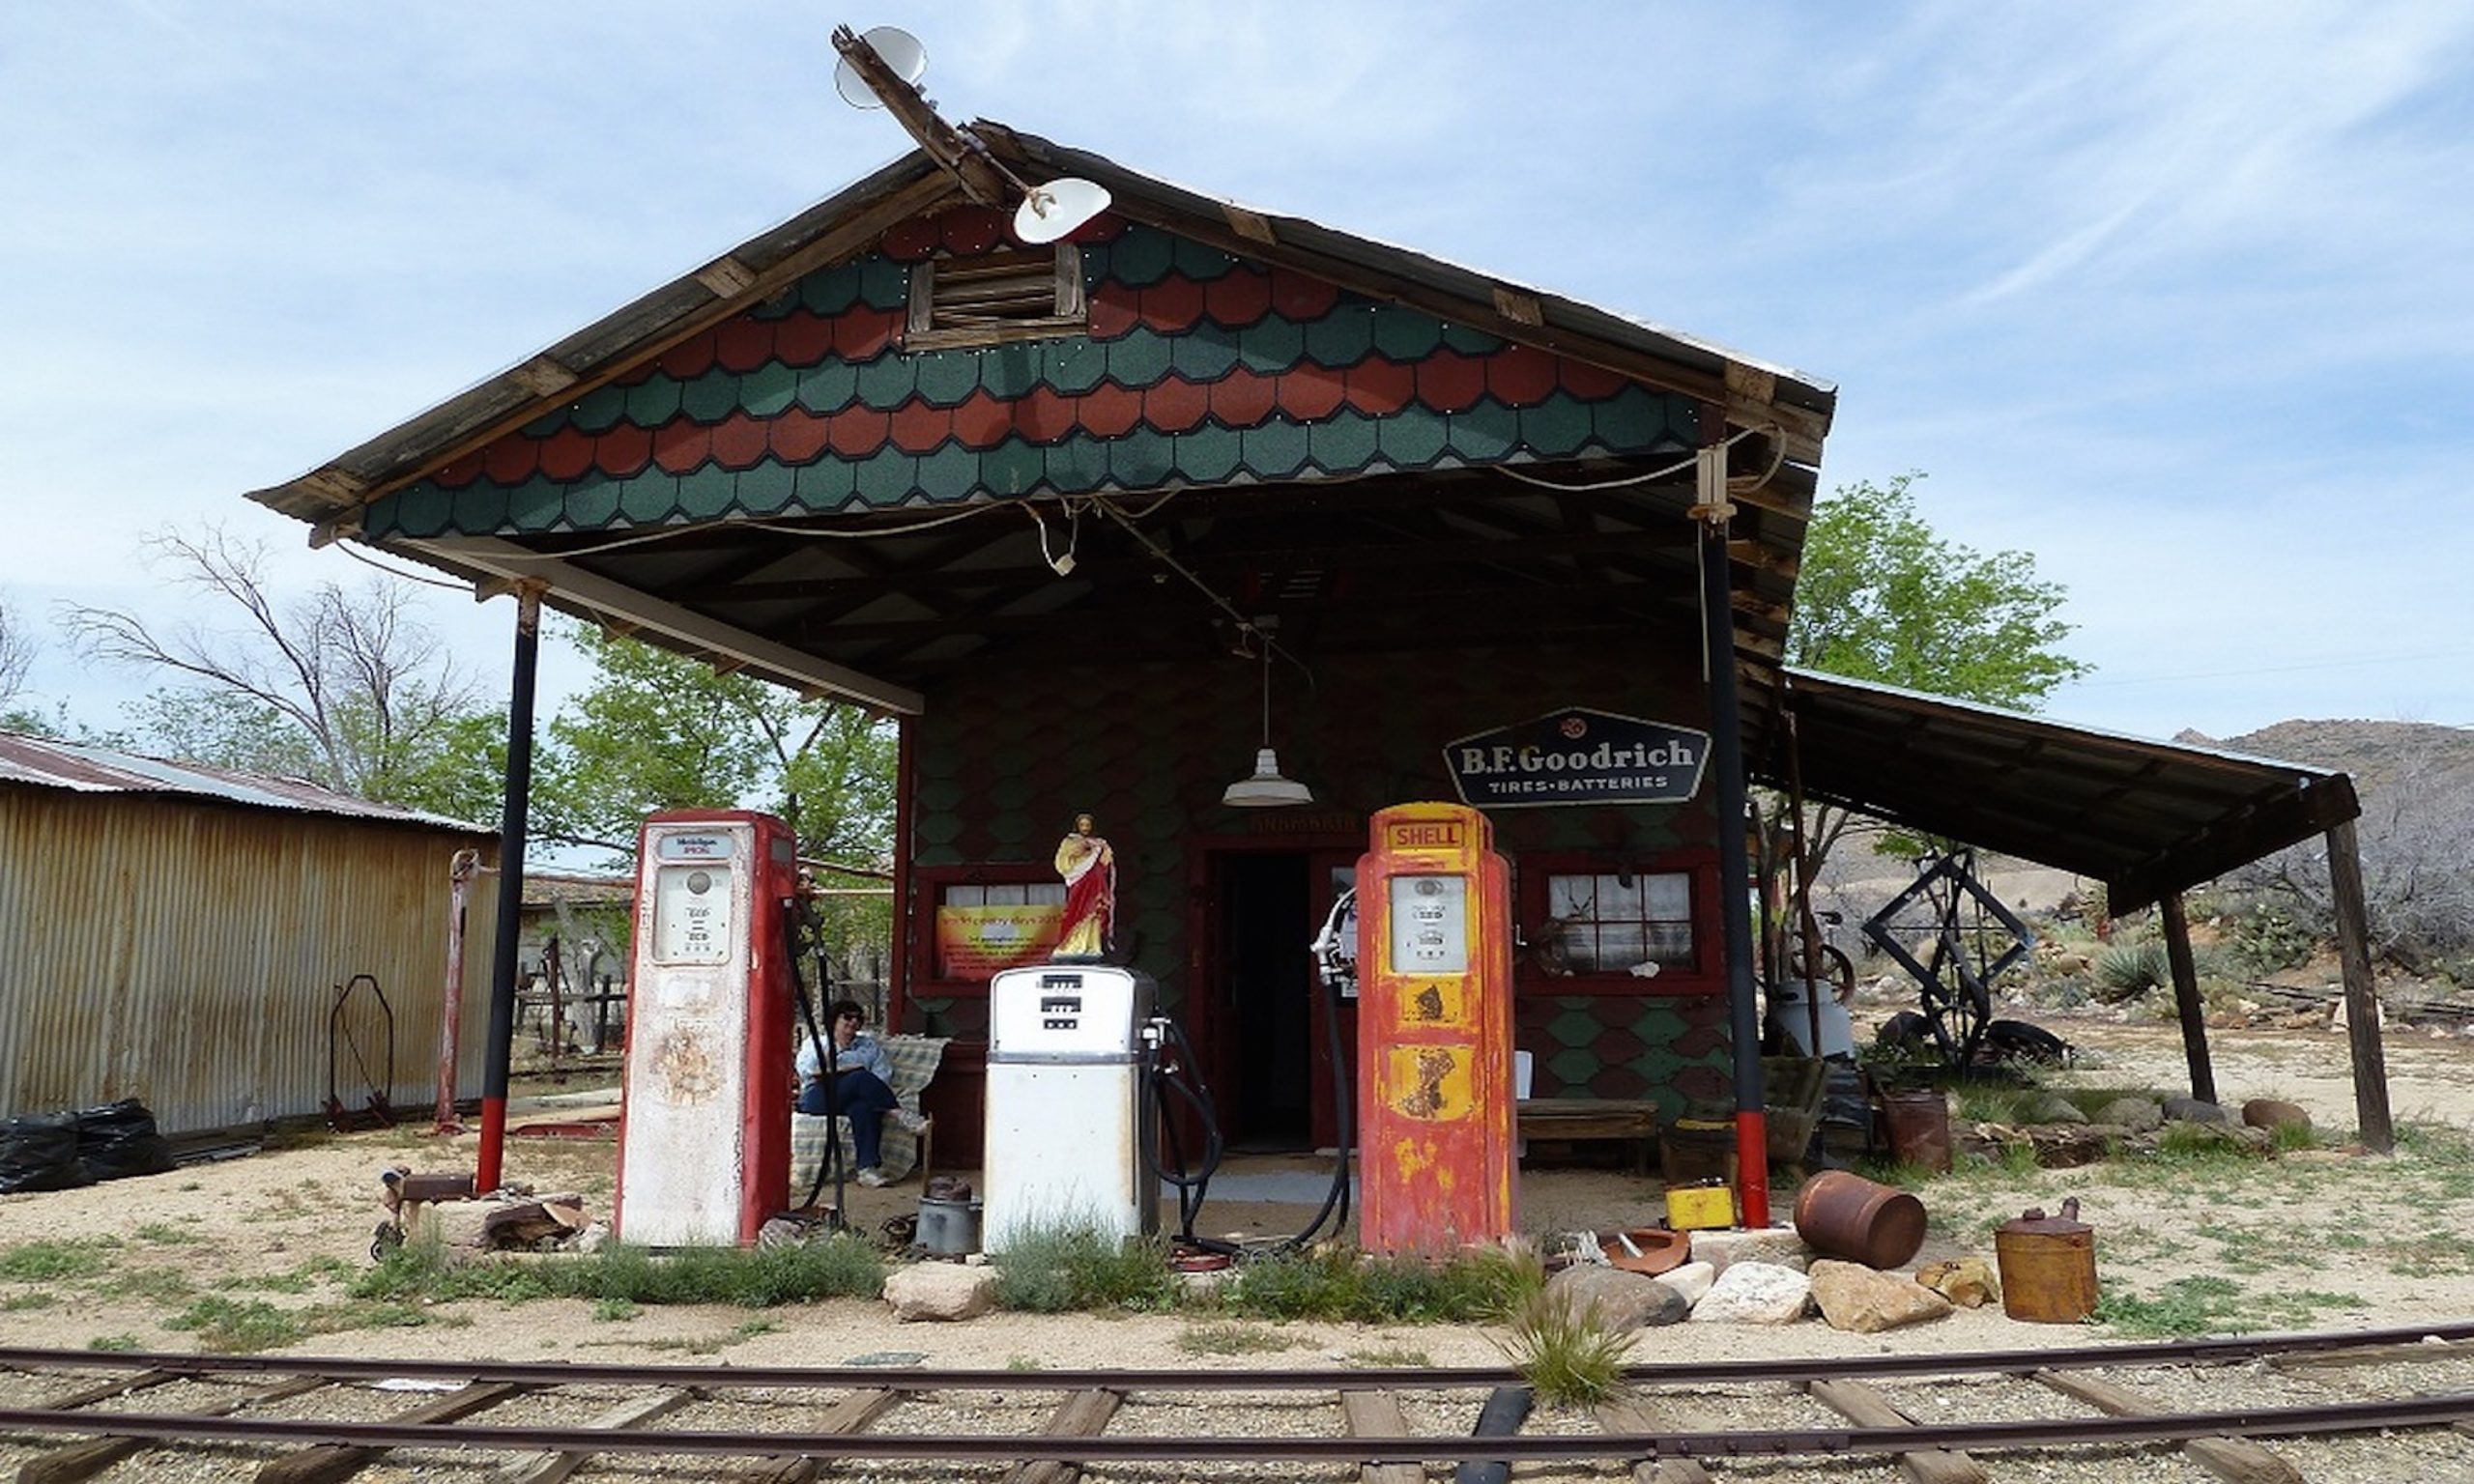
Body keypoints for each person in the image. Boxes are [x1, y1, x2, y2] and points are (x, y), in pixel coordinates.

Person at [795, 999, 924, 1187]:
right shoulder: (816, 1043)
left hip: (854, 1096)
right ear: (833, 1021)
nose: (853, 1022)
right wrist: (842, 1067)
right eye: (847, 1017)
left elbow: (881, 1078)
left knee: (863, 1107)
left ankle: (867, 1169)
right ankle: (899, 1113)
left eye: (858, 1018)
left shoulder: (868, 1046)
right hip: (818, 1097)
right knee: (859, 1076)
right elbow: (807, 1071)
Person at [1051, 812, 1115, 960]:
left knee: (1095, 912)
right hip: (1080, 881)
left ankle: (1092, 945)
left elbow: (1105, 863)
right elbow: (1064, 861)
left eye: (1088, 825)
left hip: (1096, 881)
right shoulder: (1070, 841)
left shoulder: (1098, 842)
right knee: (1077, 911)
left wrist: (1104, 850)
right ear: (1077, 826)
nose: (1085, 828)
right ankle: (1072, 945)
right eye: (1082, 825)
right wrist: (1089, 852)